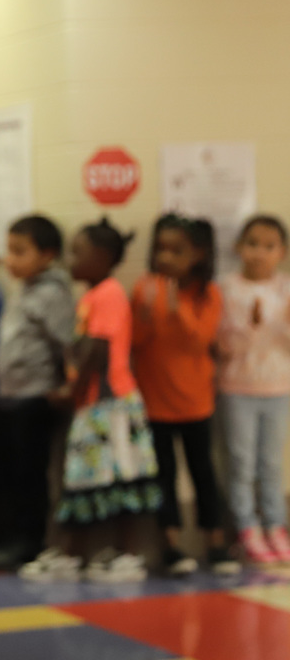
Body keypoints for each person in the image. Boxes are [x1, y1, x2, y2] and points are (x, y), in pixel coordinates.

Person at [22, 219, 161, 583]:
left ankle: (130, 555)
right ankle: (74, 554)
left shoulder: (110, 294)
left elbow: (97, 350)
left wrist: (71, 391)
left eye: (78, 252)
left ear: (101, 256)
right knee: (83, 478)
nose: (71, 260)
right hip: (91, 404)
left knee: (121, 478)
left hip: (111, 404)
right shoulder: (90, 296)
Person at [131, 214, 226, 575]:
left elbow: (201, 340)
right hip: (154, 402)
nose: (166, 258)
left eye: (177, 251)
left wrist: (178, 310)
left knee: (203, 471)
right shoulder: (145, 287)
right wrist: (143, 314)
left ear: (198, 254)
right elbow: (137, 344)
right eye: (160, 250)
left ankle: (215, 543)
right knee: (163, 477)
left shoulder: (208, 293)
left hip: (195, 401)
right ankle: (172, 546)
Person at [0, 215, 75, 571]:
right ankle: (11, 537)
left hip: (35, 397)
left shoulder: (52, 294)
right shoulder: (26, 288)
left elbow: (66, 345)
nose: (10, 260)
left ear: (47, 254)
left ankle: (30, 542)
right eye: (9, 251)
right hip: (12, 395)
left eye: (20, 252)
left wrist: (65, 386)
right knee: (12, 472)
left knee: (30, 475)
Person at [217, 214, 290, 564]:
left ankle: (276, 525)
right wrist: (249, 328)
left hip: (278, 388)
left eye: (269, 246)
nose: (260, 253)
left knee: (271, 463)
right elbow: (221, 346)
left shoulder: (285, 289)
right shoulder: (226, 288)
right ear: (238, 247)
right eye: (253, 244)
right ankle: (246, 527)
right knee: (241, 462)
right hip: (237, 387)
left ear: (282, 252)